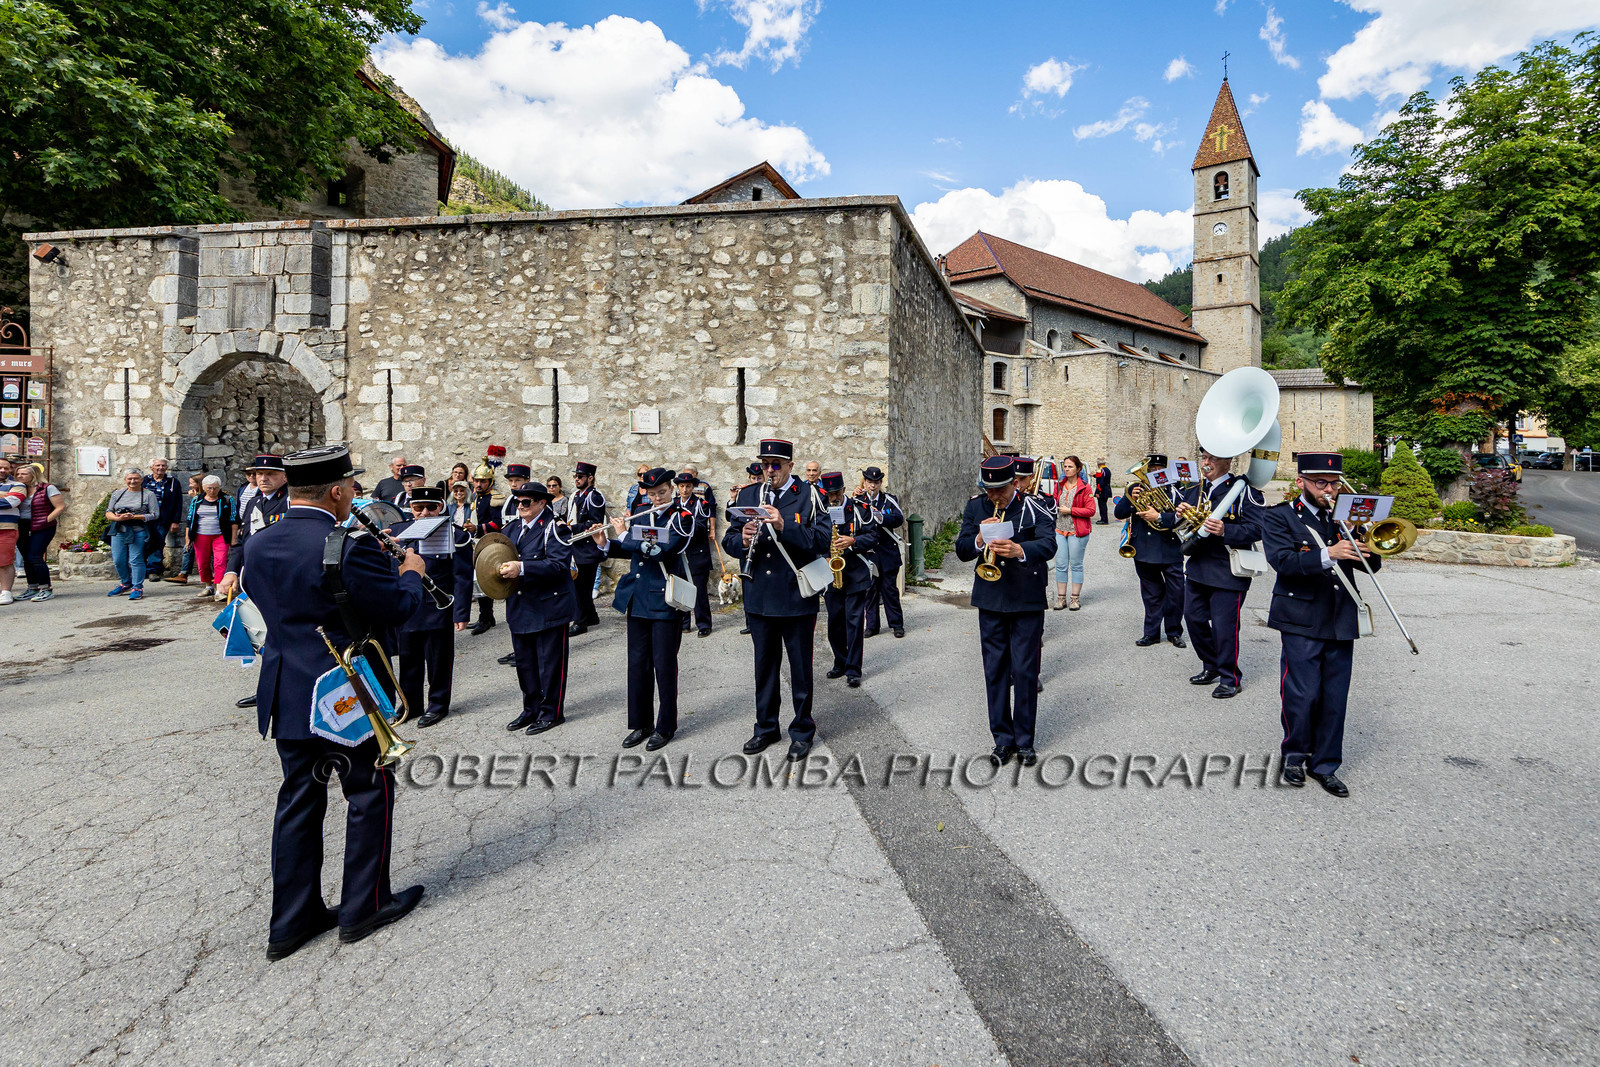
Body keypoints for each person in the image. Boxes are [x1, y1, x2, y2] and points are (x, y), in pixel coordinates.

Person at [242, 444, 426, 959]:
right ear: (338, 491)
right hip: (344, 692)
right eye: (349, 487)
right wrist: (410, 570)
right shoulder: (347, 545)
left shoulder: (258, 543)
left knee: (299, 802)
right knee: (368, 792)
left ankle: (292, 921)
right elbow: (396, 608)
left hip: (287, 689)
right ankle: (364, 906)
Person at [1258, 452, 1380, 798]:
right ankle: (1295, 756)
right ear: (1301, 482)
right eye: (1320, 483)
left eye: (1334, 483)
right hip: (1301, 616)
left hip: (1341, 616)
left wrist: (1360, 539)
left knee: (1334, 696)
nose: (1329, 489)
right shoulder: (1279, 516)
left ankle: (1325, 765)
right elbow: (1283, 562)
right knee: (1302, 692)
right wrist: (1330, 553)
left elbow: (1373, 566)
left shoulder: (1345, 519)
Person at [721, 439, 831, 762]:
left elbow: (822, 540)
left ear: (790, 467)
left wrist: (785, 526)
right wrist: (741, 540)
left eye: (776, 465)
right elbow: (729, 539)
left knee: (800, 669)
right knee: (765, 667)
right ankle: (766, 727)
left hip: (795, 596)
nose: (770, 470)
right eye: (765, 465)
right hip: (760, 596)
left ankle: (802, 730)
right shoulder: (748, 495)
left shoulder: (809, 495)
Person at [955, 456, 1057, 766]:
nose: (993, 496)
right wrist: (977, 538)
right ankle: (1002, 739)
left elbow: (1049, 544)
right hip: (990, 599)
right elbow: (961, 550)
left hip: (1026, 598)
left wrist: (1020, 549)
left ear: (1014, 483)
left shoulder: (1035, 507)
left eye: (999, 490)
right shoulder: (976, 507)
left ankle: (1025, 741)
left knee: (1025, 671)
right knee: (995, 670)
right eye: (988, 490)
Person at [607, 467, 691, 749]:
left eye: (662, 493)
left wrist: (624, 536)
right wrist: (605, 542)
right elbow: (630, 549)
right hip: (638, 598)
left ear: (672, 489)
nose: (657, 499)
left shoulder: (682, 518)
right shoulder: (641, 512)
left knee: (664, 667)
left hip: (664, 601)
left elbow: (661, 551)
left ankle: (665, 727)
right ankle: (641, 723)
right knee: (637, 665)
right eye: (652, 494)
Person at [1175, 449, 1263, 698]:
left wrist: (1226, 530)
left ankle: (1230, 678)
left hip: (1228, 571)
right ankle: (1211, 664)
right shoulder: (1195, 491)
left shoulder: (1244, 491)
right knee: (1193, 619)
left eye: (1212, 458)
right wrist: (1179, 516)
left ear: (1227, 461)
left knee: (1225, 628)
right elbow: (1180, 528)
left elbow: (1258, 528)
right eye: (1204, 458)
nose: (1206, 463)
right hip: (1198, 567)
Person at [499, 482, 575, 733]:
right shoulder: (511, 529)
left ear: (542, 503)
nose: (520, 506)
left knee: (550, 665)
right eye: (517, 501)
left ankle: (551, 712)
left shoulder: (555, 528)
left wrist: (522, 568)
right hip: (520, 604)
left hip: (549, 605)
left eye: (526, 502)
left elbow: (559, 565)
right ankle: (531, 708)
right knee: (525, 663)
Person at [220, 455, 291, 707]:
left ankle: (281, 689)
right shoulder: (254, 502)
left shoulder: (290, 502)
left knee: (280, 637)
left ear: (284, 476)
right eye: (259, 474)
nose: (263, 478)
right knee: (262, 636)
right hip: (255, 581)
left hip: (280, 580)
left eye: (270, 474)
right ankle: (269, 687)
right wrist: (231, 571)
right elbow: (241, 542)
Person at [390, 486, 457, 728]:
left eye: (432, 507)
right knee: (408, 659)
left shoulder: (452, 533)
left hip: (437, 607)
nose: (425, 513)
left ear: (441, 507)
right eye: (419, 508)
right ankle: (411, 705)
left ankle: (438, 705)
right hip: (407, 607)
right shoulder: (397, 532)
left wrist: (460, 613)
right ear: (411, 508)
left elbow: (460, 576)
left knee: (438, 660)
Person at [1114, 453, 1185, 649]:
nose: (1154, 473)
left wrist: (1160, 516)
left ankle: (1174, 632)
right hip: (1144, 549)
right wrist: (1131, 499)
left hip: (1170, 548)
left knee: (1176, 594)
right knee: (1151, 595)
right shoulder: (1135, 488)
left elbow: (1183, 518)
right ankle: (1151, 633)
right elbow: (1119, 513)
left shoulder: (1176, 490)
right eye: (1151, 469)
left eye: (1159, 470)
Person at [820, 472, 881, 687]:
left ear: (844, 490)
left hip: (855, 572)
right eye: (829, 495)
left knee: (854, 623)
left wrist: (853, 541)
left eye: (836, 494)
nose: (833, 498)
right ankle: (840, 662)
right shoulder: (821, 511)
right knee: (834, 622)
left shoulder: (860, 509)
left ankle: (854, 669)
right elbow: (813, 538)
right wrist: (825, 556)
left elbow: (873, 537)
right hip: (831, 573)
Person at [857, 466, 905, 639]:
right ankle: (872, 626)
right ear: (864, 482)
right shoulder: (858, 500)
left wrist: (882, 517)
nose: (873, 486)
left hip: (887, 553)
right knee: (870, 591)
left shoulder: (889, 500)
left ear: (880, 483)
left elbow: (899, 518)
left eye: (876, 482)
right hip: (868, 553)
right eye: (870, 482)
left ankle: (896, 624)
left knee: (889, 590)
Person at [566, 461, 608, 637]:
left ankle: (580, 622)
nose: (577, 479)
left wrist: (573, 528)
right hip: (578, 546)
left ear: (590, 478)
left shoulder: (594, 496)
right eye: (575, 476)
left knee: (581, 587)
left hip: (589, 548)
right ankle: (591, 616)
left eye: (580, 476)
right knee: (580, 585)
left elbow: (595, 523)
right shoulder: (577, 495)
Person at [105, 468, 160, 601]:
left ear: (141, 480)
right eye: (129, 479)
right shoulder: (117, 494)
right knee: (118, 560)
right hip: (119, 530)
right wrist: (118, 518)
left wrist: (135, 517)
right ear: (125, 480)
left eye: (136, 478)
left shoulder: (148, 495)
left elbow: (155, 514)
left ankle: (137, 587)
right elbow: (108, 512)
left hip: (138, 531)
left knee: (136, 559)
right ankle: (125, 583)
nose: (132, 481)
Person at [13, 463, 65, 602]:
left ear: (34, 475)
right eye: (18, 474)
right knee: (26, 557)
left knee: (35, 556)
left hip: (43, 526)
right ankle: (32, 587)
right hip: (22, 525)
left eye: (23, 474)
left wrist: (46, 520)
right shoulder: (18, 489)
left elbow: (60, 506)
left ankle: (46, 589)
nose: (19, 476)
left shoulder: (47, 488)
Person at [675, 470, 716, 637]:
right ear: (677, 487)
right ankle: (684, 623)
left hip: (697, 553)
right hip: (679, 553)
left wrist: (683, 523)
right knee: (681, 590)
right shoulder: (673, 504)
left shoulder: (701, 504)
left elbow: (700, 527)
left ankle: (704, 624)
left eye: (688, 486)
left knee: (699, 592)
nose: (685, 490)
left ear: (693, 487)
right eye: (682, 486)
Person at [1051, 456, 1094, 611]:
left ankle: (1075, 598)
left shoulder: (1085, 487)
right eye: (1065, 466)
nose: (1067, 469)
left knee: (1076, 565)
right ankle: (1061, 598)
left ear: (1078, 469)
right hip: (1059, 530)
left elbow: (1091, 510)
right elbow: (1053, 504)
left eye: (1070, 467)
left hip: (1077, 531)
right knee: (1061, 565)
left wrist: (1071, 511)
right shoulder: (1059, 485)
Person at [185, 474, 237, 599]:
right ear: (203, 487)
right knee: (202, 562)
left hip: (220, 535)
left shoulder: (227, 499)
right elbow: (190, 519)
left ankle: (219, 589)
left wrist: (233, 538)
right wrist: (188, 538)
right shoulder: (197, 500)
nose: (212, 491)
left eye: (215, 488)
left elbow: (234, 519)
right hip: (200, 535)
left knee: (220, 561)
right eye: (209, 488)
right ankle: (208, 586)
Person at [467, 462, 503, 636]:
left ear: (490, 482)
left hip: (488, 542)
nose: (478, 484)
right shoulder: (476, 497)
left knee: (484, 580)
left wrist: (478, 528)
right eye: (476, 481)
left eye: (483, 481)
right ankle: (487, 615)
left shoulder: (494, 498)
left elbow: (498, 523)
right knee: (478, 580)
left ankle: (485, 618)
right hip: (476, 542)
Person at [142, 458, 183, 580]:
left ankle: (153, 570)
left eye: (163, 465)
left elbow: (178, 502)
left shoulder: (173, 482)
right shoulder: (144, 480)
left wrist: (175, 521)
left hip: (162, 519)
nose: (160, 468)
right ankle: (141, 569)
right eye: (158, 465)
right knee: (142, 543)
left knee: (157, 543)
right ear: (151, 467)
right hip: (144, 518)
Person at [448, 481, 476, 633]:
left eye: (461, 491)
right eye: (456, 491)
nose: (459, 493)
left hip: (465, 539)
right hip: (453, 540)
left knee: (464, 573)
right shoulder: (450, 507)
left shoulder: (471, 506)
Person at [166, 474, 205, 584]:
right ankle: (183, 574)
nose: (190, 485)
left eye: (192, 483)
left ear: (199, 484)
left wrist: (195, 497)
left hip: (203, 528)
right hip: (194, 527)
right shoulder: (196, 496)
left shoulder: (203, 497)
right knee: (188, 547)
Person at [0, 459, 24, 605]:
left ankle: (6, 592)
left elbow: (11, 502)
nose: (3, 470)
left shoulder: (17, 485)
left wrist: (6, 499)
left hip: (5, 528)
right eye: (0, 467)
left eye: (6, 468)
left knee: (4, 561)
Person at [1093, 459, 1113, 525]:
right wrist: (1093, 475)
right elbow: (1100, 476)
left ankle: (1104, 520)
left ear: (1098, 464)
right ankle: (1104, 519)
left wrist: (1098, 492)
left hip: (1102, 490)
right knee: (1104, 505)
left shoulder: (1100, 470)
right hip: (1107, 489)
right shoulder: (1107, 470)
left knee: (1102, 505)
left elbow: (1100, 482)